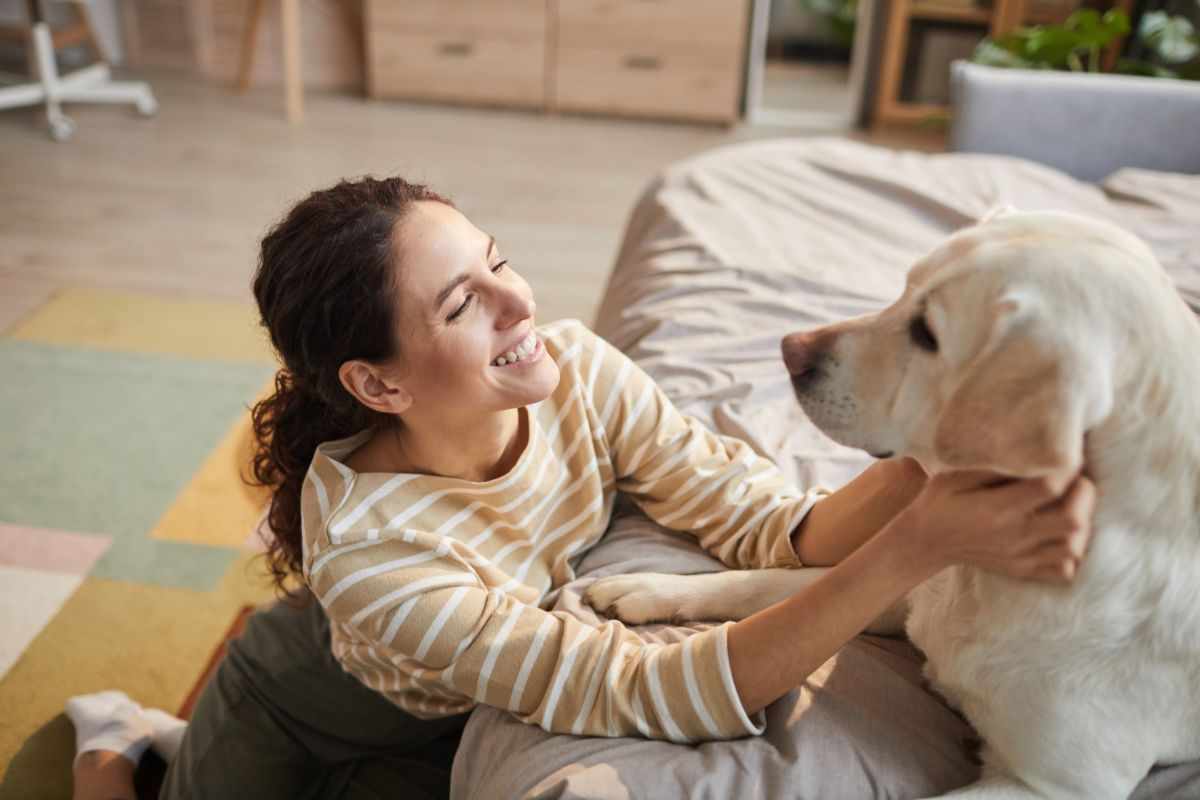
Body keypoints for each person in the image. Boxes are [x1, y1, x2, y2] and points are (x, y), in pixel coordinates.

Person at [67, 176, 1095, 800]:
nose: (523, 301)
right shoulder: (377, 557)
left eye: (500, 260)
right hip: (318, 699)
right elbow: (656, 688)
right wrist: (920, 544)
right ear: (378, 383)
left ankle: (166, 737)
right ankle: (118, 738)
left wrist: (929, 444)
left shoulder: (577, 370)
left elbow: (769, 527)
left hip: (460, 701)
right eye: (467, 301)